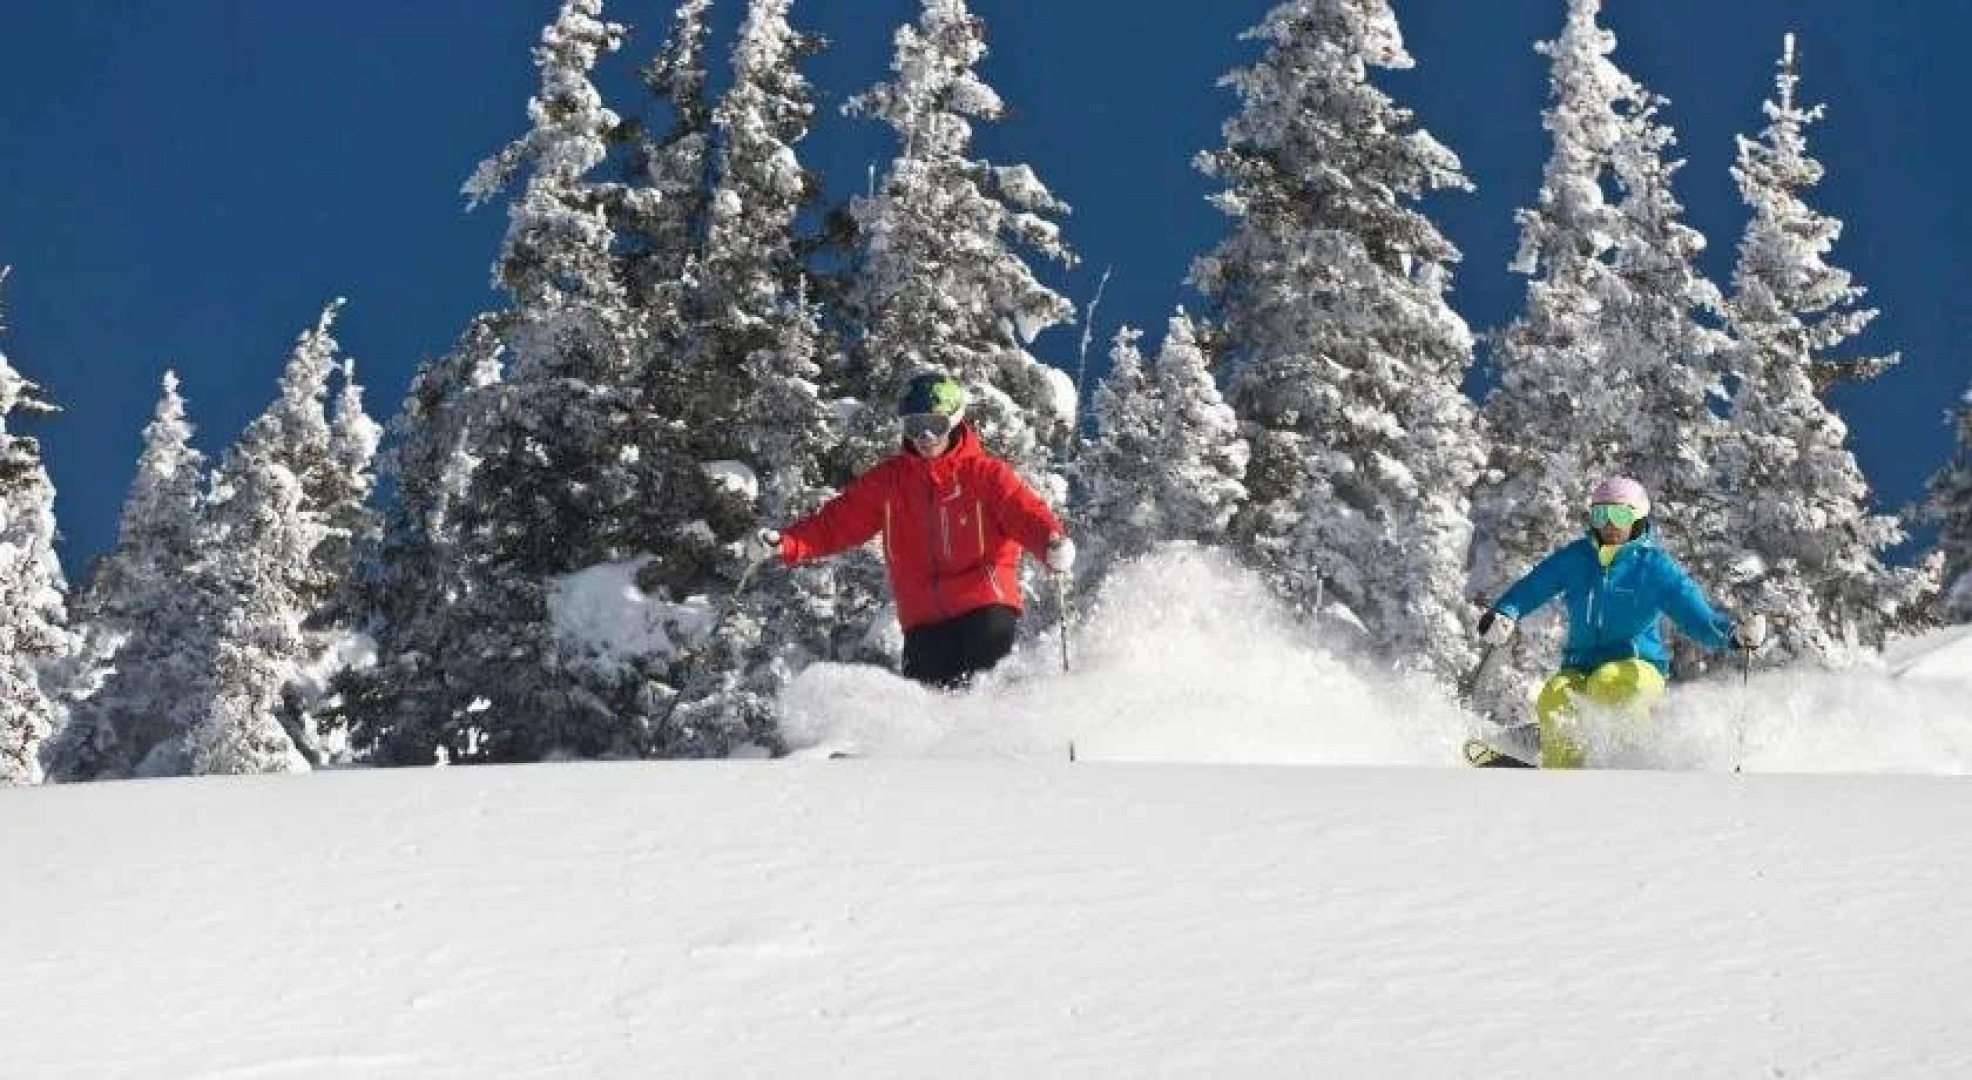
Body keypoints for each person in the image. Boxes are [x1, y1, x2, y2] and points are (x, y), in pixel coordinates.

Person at [751, 372, 1075, 689]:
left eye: (935, 425)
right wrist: (788, 543)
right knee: (927, 704)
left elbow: (1024, 513)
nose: (926, 437)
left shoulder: (986, 476)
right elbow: (837, 523)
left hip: (984, 603)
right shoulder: (890, 482)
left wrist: (1050, 543)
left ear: (954, 422)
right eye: (915, 426)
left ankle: (1005, 717)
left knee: (983, 683)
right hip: (923, 619)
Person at [1475, 476, 1768, 768]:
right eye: (1600, 515)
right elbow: (1535, 585)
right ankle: (1563, 774)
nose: (1609, 524)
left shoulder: (1652, 567)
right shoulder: (1576, 559)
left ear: (1637, 519)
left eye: (1620, 515)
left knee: (1609, 683)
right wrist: (1505, 612)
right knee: (1557, 695)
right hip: (1580, 666)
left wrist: (1733, 634)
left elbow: (1695, 615)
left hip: (1639, 667)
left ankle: (1628, 767)